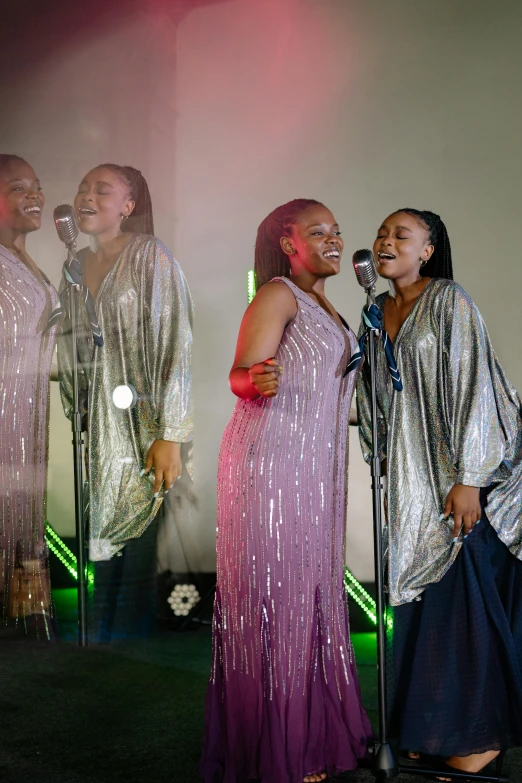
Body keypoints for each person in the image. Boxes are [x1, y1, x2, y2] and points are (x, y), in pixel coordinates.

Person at [200, 199, 372, 783]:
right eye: (318, 231)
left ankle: (307, 735)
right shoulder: (277, 294)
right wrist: (255, 378)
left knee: (309, 596)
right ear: (287, 242)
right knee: (279, 603)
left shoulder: (330, 305)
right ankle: (282, 748)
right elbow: (240, 373)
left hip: (313, 467)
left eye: (337, 231)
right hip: (270, 466)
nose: (333, 239)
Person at [356, 208, 522, 779]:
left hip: (466, 476)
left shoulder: (450, 300)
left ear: (427, 250)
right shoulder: (374, 312)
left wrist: (470, 478)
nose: (386, 240)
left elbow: (476, 386)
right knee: (423, 605)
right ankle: (428, 729)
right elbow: (372, 396)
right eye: (382, 232)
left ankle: (479, 737)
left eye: (401, 234)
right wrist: (380, 458)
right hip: (412, 477)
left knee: (461, 601)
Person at [58, 164, 194, 642]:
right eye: (82, 187)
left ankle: (126, 651)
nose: (86, 196)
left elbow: (176, 341)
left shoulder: (150, 256)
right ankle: (95, 645)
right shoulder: (73, 265)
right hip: (96, 427)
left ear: (128, 206)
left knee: (134, 538)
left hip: (144, 429)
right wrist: (75, 406)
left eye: (102, 189)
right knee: (98, 538)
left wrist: (170, 433)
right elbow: (69, 344)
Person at [0, 154, 59, 640]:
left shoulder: (28, 260)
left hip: (27, 411)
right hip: (3, 410)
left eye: (36, 185)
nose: (35, 195)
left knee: (21, 510)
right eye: (20, 187)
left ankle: (21, 624)